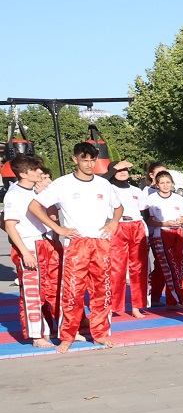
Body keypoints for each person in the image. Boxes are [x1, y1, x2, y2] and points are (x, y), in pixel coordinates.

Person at [32, 142, 123, 351]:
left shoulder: (103, 184)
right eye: (85, 160)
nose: (89, 164)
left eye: (92, 160)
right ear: (75, 159)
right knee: (73, 291)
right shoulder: (62, 184)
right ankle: (68, 335)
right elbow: (35, 206)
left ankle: (100, 333)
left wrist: (114, 222)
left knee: (102, 290)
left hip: (101, 243)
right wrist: (58, 228)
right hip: (77, 244)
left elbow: (118, 207)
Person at [3, 155, 55, 346]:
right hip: (28, 244)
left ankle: (49, 328)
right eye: (35, 169)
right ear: (24, 173)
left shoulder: (37, 190)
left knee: (49, 289)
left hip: (45, 242)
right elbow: (9, 226)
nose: (40, 172)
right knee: (33, 291)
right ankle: (36, 335)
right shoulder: (14, 194)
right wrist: (24, 252)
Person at [143, 167, 183, 311]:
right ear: (157, 184)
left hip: (178, 233)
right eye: (162, 183)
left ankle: (171, 301)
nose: (165, 185)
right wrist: (165, 223)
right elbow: (149, 220)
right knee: (170, 267)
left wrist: (181, 221)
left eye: (168, 182)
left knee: (179, 266)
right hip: (161, 234)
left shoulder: (178, 198)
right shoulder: (151, 199)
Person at [106, 161, 151, 319]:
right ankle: (113, 305)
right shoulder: (108, 187)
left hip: (137, 226)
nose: (123, 172)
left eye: (125, 169)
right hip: (119, 226)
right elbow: (102, 180)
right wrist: (113, 169)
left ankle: (137, 306)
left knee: (139, 268)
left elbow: (145, 212)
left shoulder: (136, 190)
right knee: (116, 268)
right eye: (119, 170)